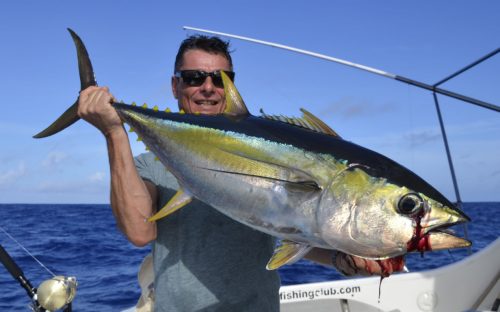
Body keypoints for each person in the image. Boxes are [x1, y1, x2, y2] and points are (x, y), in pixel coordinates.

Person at [77, 35, 404, 311]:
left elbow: (294, 229)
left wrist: (343, 259)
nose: (208, 87)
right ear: (175, 86)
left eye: (220, 79)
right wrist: (114, 133)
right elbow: (139, 233)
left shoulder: (271, 154)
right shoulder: (150, 165)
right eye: (194, 78)